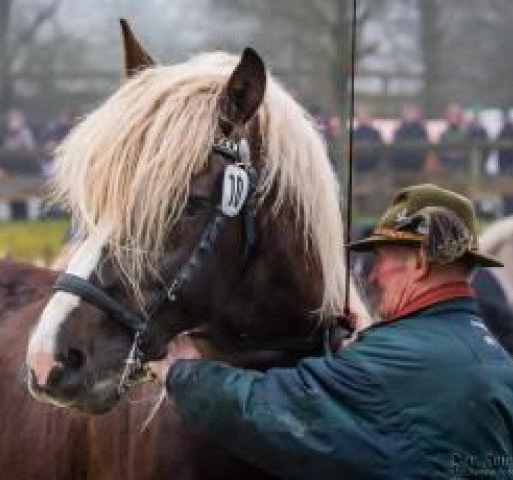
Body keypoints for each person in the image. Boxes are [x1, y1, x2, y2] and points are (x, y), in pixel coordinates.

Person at [151, 184, 513, 479]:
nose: (372, 276)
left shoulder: (396, 362)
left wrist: (183, 372)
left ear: (418, 265)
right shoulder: (495, 360)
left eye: (381, 260)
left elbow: (274, 410)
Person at [390, 104, 429, 172]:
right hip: (399, 166)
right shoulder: (399, 131)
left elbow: (424, 148)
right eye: (407, 113)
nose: (409, 115)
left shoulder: (421, 131)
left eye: (412, 113)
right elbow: (394, 148)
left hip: (415, 165)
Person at [437, 103, 467, 171]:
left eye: (456, 115)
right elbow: (440, 152)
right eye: (451, 115)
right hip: (448, 167)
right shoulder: (444, 135)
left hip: (463, 168)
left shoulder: (466, 134)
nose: (454, 118)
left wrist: (459, 154)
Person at [353, 107, 383, 172]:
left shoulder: (375, 133)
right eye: (360, 116)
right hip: (358, 167)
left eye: (365, 116)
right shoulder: (354, 133)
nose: (362, 118)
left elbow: (380, 149)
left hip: (372, 167)